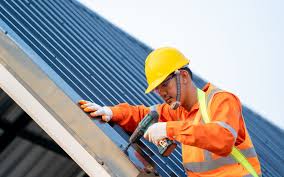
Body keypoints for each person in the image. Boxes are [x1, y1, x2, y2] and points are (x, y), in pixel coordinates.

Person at [78, 47, 262, 177]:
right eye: (158, 89)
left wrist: (169, 129)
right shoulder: (178, 111)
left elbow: (222, 138)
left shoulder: (221, 100)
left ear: (183, 76)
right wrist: (110, 112)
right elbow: (142, 115)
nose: (162, 93)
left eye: (165, 84)